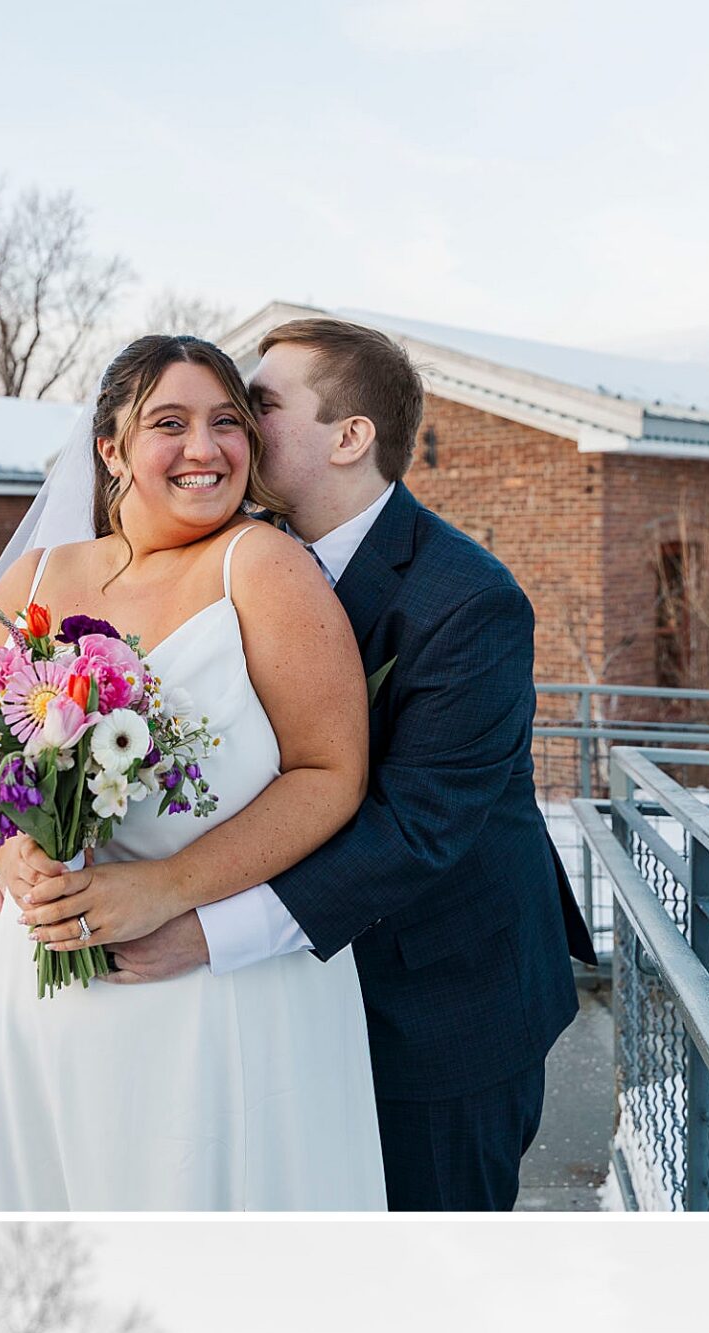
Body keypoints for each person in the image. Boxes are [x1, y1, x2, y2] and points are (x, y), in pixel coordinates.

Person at [44, 317, 599, 1213]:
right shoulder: (231, 557)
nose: (233, 433)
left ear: (350, 438)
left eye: (256, 406)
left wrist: (200, 929)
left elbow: (419, 827)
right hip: (280, 1010)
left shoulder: (468, 601)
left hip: (436, 1007)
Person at [0, 336, 387, 1211]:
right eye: (168, 424)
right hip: (28, 976)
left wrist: (166, 890)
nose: (204, 449)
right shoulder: (37, 575)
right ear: (108, 448)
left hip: (197, 987)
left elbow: (331, 772)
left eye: (227, 423)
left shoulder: (260, 565)